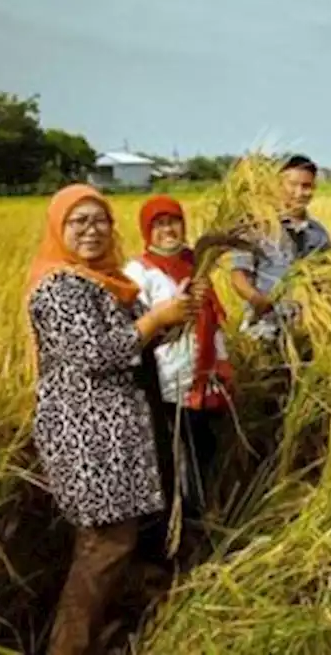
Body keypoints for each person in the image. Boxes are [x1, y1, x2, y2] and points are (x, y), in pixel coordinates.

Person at [26, 185, 194, 655]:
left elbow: (138, 343)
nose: (90, 230)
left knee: (112, 542)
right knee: (104, 544)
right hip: (85, 435)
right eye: (77, 222)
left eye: (99, 220)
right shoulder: (57, 287)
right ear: (58, 229)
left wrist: (174, 317)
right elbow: (96, 353)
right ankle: (69, 647)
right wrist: (155, 320)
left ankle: (94, 638)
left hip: (117, 432)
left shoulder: (107, 280)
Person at [124, 195, 233, 520]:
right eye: (158, 224)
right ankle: (182, 524)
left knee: (204, 449)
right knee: (176, 458)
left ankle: (203, 515)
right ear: (146, 231)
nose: (168, 229)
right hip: (166, 383)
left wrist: (224, 363)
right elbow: (133, 327)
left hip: (203, 377)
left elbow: (212, 321)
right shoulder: (138, 272)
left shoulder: (196, 263)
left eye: (173, 221)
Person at [230, 154, 331, 343]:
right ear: (277, 185)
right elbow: (239, 275)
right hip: (263, 329)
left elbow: (325, 279)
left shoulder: (319, 234)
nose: (299, 192)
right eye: (292, 184)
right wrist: (258, 301)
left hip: (304, 330)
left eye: (306, 186)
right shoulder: (257, 226)